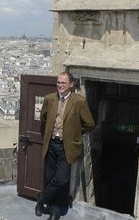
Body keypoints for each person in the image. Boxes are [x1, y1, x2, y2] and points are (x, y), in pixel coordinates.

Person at [35, 72, 95, 220]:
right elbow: (43, 117)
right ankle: (54, 211)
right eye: (58, 83)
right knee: (50, 178)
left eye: (63, 83)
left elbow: (89, 124)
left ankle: (42, 199)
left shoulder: (79, 101)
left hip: (66, 146)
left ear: (71, 84)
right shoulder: (50, 99)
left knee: (61, 179)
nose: (60, 85)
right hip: (51, 144)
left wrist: (74, 134)